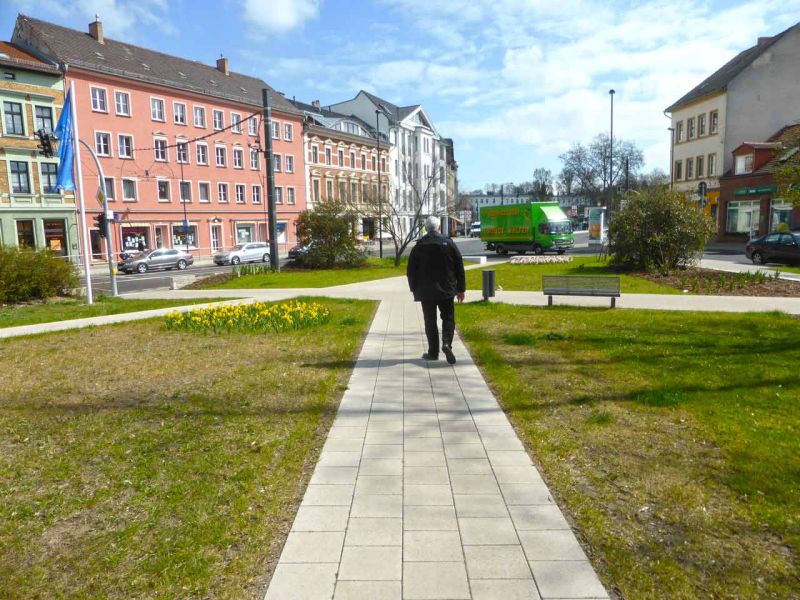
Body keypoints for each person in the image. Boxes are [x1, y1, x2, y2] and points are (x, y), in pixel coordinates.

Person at [407, 216, 466, 364]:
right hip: (447, 289)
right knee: (448, 318)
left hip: (425, 291)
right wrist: (461, 289)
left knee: (430, 321)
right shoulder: (448, 243)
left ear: (426, 228)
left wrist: (413, 288)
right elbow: (459, 265)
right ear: (439, 228)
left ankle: (433, 352)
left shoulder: (419, 246)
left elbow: (411, 270)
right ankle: (447, 343)